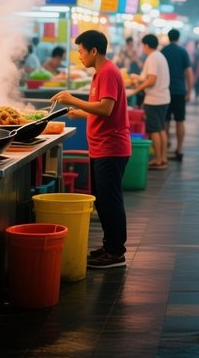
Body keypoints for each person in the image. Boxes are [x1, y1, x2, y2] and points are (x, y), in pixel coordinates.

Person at [52, 30, 131, 269]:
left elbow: (106, 109)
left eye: (81, 51)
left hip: (111, 147)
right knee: (103, 201)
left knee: (110, 201)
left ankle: (116, 252)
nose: (79, 57)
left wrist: (72, 100)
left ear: (93, 51)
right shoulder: (101, 73)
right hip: (101, 147)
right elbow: (102, 109)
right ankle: (109, 247)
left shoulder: (107, 72)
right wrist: (81, 112)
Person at [128, 34, 170, 169]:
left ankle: (158, 159)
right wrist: (139, 79)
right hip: (163, 98)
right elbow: (150, 77)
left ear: (146, 45)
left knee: (154, 130)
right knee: (161, 128)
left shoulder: (152, 58)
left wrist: (136, 90)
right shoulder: (160, 56)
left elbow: (152, 80)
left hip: (154, 99)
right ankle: (163, 158)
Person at [161, 28, 194, 162]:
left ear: (168, 38)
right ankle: (179, 149)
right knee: (180, 121)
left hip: (165, 91)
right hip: (180, 91)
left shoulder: (163, 52)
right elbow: (189, 73)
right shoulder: (183, 52)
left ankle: (165, 147)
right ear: (178, 38)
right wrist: (189, 91)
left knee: (165, 121)